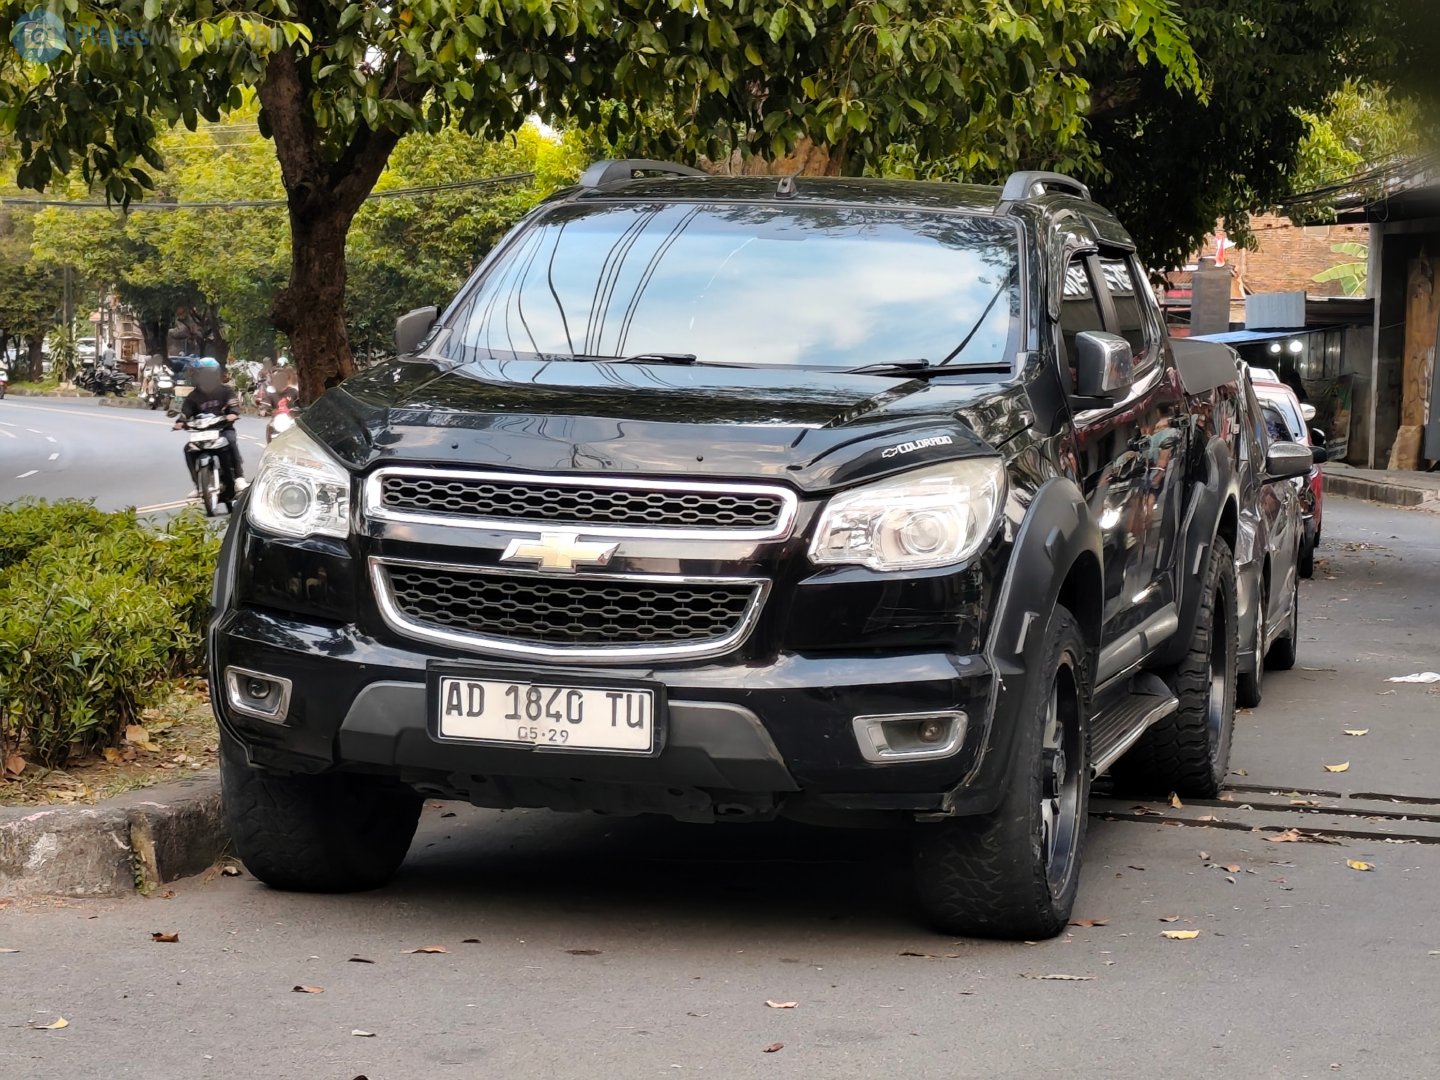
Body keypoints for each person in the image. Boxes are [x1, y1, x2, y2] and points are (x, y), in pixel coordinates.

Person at [172, 358, 247, 497]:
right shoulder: (193, 396)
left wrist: (233, 413)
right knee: (188, 449)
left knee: (231, 441)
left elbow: (234, 405)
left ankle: (239, 478)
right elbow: (186, 411)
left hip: (222, 429)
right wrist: (181, 422)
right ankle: (198, 484)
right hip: (202, 432)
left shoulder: (225, 391)